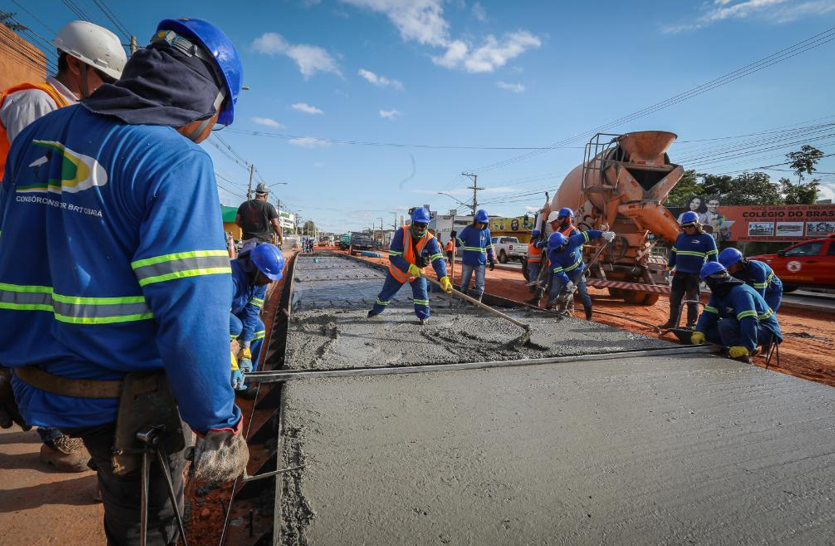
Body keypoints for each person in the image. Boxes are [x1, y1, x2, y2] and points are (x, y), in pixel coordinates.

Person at [0, 18, 249, 544]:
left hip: (30, 380)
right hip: (123, 404)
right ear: (205, 102)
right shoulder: (175, 162)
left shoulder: (30, 143)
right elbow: (191, 308)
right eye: (215, 120)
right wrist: (218, 423)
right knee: (146, 526)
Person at [0, 20, 127, 472]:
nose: (110, 90)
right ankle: (51, 432)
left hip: (44, 232)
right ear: (75, 64)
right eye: (106, 79)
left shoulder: (74, 112)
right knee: (31, 320)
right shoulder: (36, 101)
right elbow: (39, 185)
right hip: (20, 232)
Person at [368, 207, 451, 325]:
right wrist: (409, 267)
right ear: (412, 222)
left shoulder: (431, 239)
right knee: (385, 296)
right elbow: (394, 256)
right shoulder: (402, 232)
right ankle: (375, 312)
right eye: (416, 224)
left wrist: (443, 276)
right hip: (398, 272)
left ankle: (424, 317)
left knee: (422, 297)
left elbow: (437, 259)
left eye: (422, 225)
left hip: (418, 273)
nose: (418, 228)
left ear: (427, 225)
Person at [691, 262, 782, 363]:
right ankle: (727, 349)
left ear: (712, 281)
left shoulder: (740, 293)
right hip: (747, 326)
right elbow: (708, 314)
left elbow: (749, 320)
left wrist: (746, 346)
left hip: (766, 330)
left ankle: (742, 357)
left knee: (725, 325)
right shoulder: (719, 293)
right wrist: (699, 331)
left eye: (707, 282)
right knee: (709, 332)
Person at [229, 243, 284, 392]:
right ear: (255, 267)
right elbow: (217, 318)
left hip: (233, 311)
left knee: (258, 329)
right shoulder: (231, 278)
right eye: (268, 276)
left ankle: (246, 379)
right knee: (235, 326)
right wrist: (230, 361)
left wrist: (245, 348)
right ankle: (228, 376)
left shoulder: (259, 282)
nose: (270, 282)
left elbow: (252, 311)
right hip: (215, 312)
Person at [658, 211, 718, 330]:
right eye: (684, 227)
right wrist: (669, 267)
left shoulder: (707, 238)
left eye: (690, 226)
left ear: (696, 224)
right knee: (674, 299)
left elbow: (713, 259)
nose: (688, 229)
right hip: (679, 274)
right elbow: (674, 254)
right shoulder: (680, 237)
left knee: (692, 300)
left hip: (695, 275)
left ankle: (691, 324)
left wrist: (713, 274)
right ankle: (672, 322)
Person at [544, 229, 615, 319]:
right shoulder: (553, 255)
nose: (557, 250)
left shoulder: (574, 241)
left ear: (564, 242)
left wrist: (603, 234)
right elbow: (559, 272)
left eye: (558, 247)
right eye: (555, 249)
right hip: (564, 274)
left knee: (583, 293)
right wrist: (567, 282)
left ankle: (589, 317)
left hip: (578, 272)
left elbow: (588, 234)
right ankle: (548, 309)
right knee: (554, 290)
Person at [718, 247, 783, 312]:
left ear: (738, 262)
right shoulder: (732, 272)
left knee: (765, 313)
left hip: (772, 291)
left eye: (729, 266)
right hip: (753, 288)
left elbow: (759, 298)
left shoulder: (757, 269)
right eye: (725, 268)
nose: (728, 270)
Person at [456, 209, 494, 301]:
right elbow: (459, 242)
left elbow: (489, 246)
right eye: (480, 223)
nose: (481, 225)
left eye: (484, 223)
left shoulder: (487, 232)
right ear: (475, 221)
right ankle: (462, 301)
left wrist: (491, 258)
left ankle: (477, 303)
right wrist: (454, 239)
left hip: (481, 262)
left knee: (480, 284)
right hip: (468, 261)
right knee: (465, 282)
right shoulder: (468, 230)